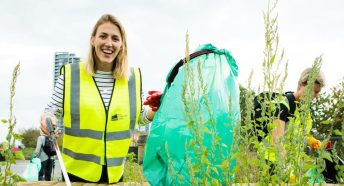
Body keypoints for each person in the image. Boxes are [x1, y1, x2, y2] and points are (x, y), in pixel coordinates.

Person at [39, 14, 157, 184]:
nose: (109, 43)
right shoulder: (71, 75)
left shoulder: (133, 78)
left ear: (121, 45)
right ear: (93, 40)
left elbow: (138, 116)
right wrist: (47, 118)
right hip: (75, 175)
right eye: (103, 36)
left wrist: (154, 110)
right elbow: (50, 111)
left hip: (115, 176)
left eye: (115, 38)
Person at [262, 67, 325, 172]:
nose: (313, 95)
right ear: (300, 85)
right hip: (272, 162)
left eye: (317, 92)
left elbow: (301, 134)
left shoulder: (305, 110)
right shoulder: (285, 104)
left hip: (292, 163)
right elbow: (277, 138)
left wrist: (311, 141)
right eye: (310, 89)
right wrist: (286, 168)